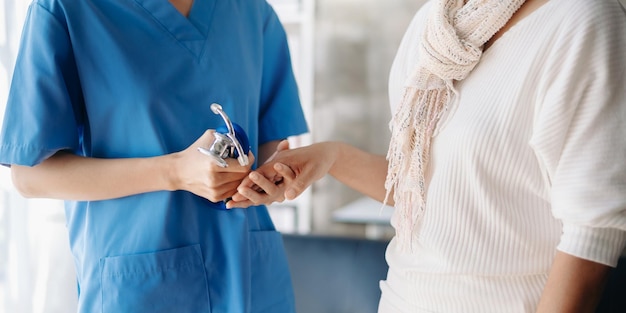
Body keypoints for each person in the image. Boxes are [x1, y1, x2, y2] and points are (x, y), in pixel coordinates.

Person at [230, 0, 626, 312]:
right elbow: (423, 188)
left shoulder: (584, 20)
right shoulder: (432, 26)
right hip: (401, 300)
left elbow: (593, 231)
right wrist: (332, 158)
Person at [0, 0, 308, 312]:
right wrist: (174, 172)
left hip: (255, 282)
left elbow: (271, 147)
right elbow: (29, 175)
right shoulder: (68, 9)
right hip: (144, 288)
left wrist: (275, 176)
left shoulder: (253, 13)